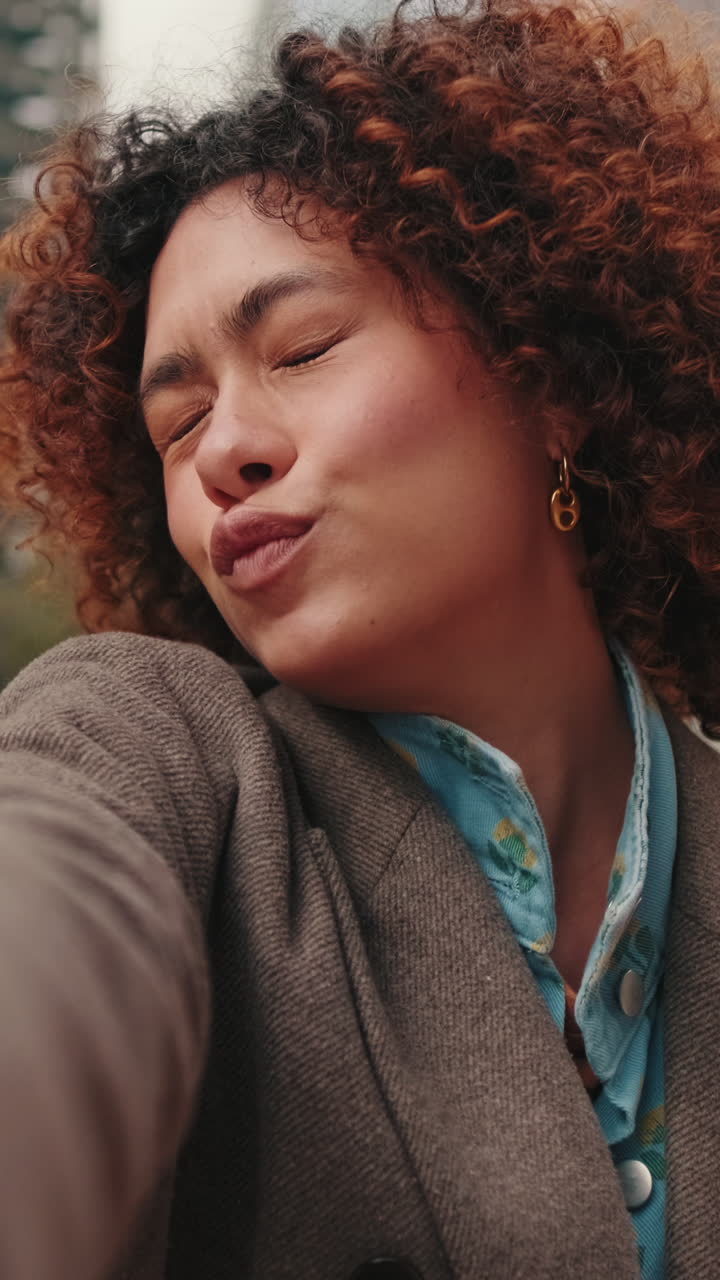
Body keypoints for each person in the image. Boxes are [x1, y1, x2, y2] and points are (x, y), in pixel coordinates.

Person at [0, 0, 718, 1274]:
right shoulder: (170, 757)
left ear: (550, 378)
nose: (225, 449)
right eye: (176, 426)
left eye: (306, 346)